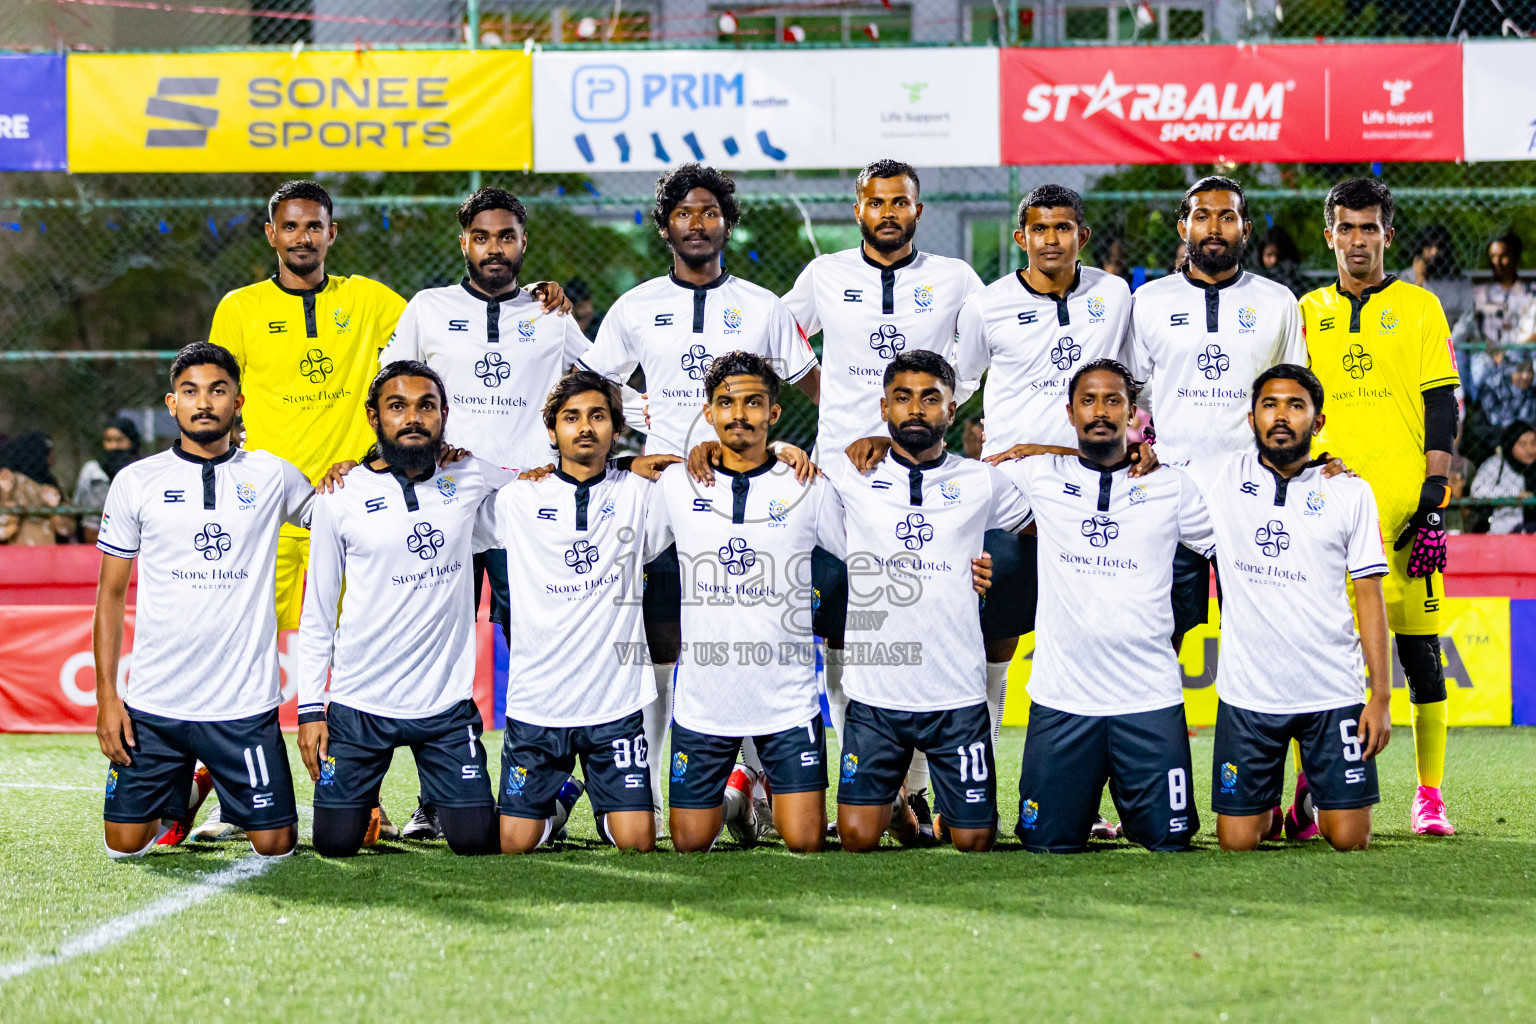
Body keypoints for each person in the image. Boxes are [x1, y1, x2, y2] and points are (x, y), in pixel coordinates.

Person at [578, 163, 820, 835]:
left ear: (726, 223)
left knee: (747, 631)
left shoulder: (765, 308)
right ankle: (649, 796)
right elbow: (594, 389)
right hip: (665, 499)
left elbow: (813, 387)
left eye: (710, 212)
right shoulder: (634, 307)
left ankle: (759, 786)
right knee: (658, 646)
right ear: (665, 226)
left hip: (749, 495)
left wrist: (816, 453)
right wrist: (633, 445)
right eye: (684, 213)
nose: (697, 223)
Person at [778, 158, 984, 835]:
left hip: (926, 480)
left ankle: (915, 791)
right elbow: (778, 340)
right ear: (858, 208)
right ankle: (872, 778)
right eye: (877, 202)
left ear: (918, 211)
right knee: (846, 639)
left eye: (901, 202)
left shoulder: (954, 277)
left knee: (924, 629)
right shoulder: (824, 275)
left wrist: (932, 423)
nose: (889, 212)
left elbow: (981, 350)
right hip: (842, 486)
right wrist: (838, 406)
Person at [92, 342, 311, 859]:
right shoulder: (136, 482)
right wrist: (107, 699)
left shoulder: (272, 475)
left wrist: (358, 469)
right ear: (173, 405)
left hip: (243, 704)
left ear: (239, 402)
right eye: (190, 392)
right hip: (155, 704)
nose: (204, 402)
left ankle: (216, 774)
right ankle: (189, 792)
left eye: (218, 390)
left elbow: (338, 516)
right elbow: (109, 594)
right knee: (124, 847)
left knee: (275, 847)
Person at [989, 359, 1211, 853]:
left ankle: (1136, 806)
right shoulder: (1038, 475)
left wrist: (1316, 478)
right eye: (1088, 401)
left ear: (1134, 413)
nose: (1101, 411)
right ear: (1069, 412)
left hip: (1148, 700)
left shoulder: (1171, 485)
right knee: (1047, 843)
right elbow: (946, 486)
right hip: (1063, 701)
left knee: (1169, 842)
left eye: (1113, 401)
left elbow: (1237, 540)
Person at [1299, 177, 1461, 837]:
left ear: (1387, 235)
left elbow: (1442, 404)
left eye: (1370, 228)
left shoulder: (1421, 308)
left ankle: (1429, 796)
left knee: (1422, 658)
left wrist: (1436, 494)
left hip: (1403, 519)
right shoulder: (1306, 310)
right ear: (1330, 234)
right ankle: (1315, 795)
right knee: (1324, 666)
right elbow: (1290, 403)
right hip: (1330, 520)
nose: (1358, 240)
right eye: (1348, 227)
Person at [296, 361, 508, 857]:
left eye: (426, 406)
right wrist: (310, 708)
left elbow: (549, 480)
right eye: (397, 407)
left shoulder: (471, 475)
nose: (413, 418)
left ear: (444, 415)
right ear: (373, 418)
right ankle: (361, 799)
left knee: (476, 841)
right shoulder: (339, 495)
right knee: (334, 844)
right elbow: (319, 612)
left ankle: (551, 801)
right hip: (359, 705)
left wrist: (625, 466)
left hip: (445, 705)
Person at [823, 350, 1032, 853]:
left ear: (952, 411)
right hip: (875, 693)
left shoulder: (984, 481)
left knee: (975, 840)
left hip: (956, 694)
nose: (916, 408)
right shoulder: (848, 473)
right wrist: (786, 453)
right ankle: (896, 809)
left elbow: (1032, 530)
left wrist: (996, 566)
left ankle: (936, 810)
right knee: (855, 839)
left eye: (930, 398)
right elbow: (778, 475)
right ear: (883, 408)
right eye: (903, 397)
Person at [1182, 366, 1392, 852]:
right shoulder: (1216, 476)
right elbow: (1142, 475)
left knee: (1349, 841)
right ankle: (1267, 805)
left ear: (1317, 422)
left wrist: (1379, 696)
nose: (1282, 416)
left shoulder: (1350, 490)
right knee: (1237, 843)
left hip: (1332, 690)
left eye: (1296, 406)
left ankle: (1309, 804)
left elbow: (1368, 594)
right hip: (1250, 695)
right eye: (1270, 405)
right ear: (1251, 417)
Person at [647, 351, 846, 853]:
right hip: (702, 703)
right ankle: (742, 791)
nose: (740, 414)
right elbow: (628, 545)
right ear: (708, 413)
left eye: (754, 403)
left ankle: (750, 785)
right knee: (689, 844)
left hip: (787, 701)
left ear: (774, 414)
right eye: (726, 403)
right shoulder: (677, 483)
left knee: (804, 842)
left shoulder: (806, 485)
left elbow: (868, 549)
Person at [477, 370, 677, 853]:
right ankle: (563, 797)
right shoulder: (517, 499)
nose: (585, 427)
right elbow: (452, 498)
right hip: (538, 706)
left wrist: (782, 453)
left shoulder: (644, 494)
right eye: (571, 418)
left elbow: (713, 471)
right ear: (552, 431)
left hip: (616, 704)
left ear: (615, 428)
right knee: (513, 845)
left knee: (637, 843)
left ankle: (598, 799)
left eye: (597, 416)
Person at [1128, 176, 1305, 651]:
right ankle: (1161, 727)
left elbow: (1293, 395)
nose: (1213, 227)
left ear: (1245, 230)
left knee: (1257, 640)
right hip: (1172, 492)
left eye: (1227, 217)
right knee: (1159, 639)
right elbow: (1135, 393)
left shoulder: (1277, 302)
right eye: (1202, 216)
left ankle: (1252, 727)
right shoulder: (1148, 301)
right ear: (1183, 226)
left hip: (1251, 495)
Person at [1403, 224, 1474, 347]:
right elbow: (1405, 315)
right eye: (1429, 246)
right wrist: (1419, 280)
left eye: (1440, 247)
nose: (1435, 252)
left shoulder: (1459, 281)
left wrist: (1449, 342)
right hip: (1416, 343)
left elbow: (1466, 317)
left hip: (1453, 345)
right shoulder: (1407, 278)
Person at [74, 418, 143, 544]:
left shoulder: (142, 469)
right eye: (108, 440)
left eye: (119, 440)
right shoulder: (94, 470)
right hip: (97, 535)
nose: (113, 446)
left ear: (131, 442)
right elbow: (79, 505)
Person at [0, 431, 74, 545]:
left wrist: (54, 508)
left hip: (50, 552)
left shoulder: (52, 482)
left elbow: (67, 528)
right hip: (19, 551)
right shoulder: (14, 481)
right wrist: (7, 497)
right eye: (49, 451)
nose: (53, 455)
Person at [1470, 421, 1536, 534]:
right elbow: (1476, 490)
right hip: (1501, 532)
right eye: (1522, 444)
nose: (1530, 450)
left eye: (1533, 443)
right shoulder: (1496, 464)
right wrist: (1516, 493)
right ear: (1511, 444)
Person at [1256, 226, 1308, 297]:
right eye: (1269, 255)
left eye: (1279, 255)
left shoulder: (1298, 285)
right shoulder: (1255, 283)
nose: (1274, 260)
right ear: (1261, 256)